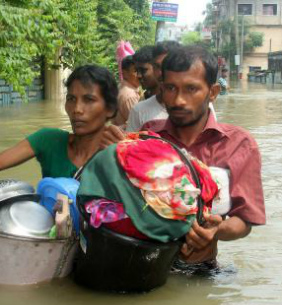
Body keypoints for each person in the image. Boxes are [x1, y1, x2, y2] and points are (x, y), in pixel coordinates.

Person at [106, 46, 266, 264]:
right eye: (171, 88)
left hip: (201, 269)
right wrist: (114, 154)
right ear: (161, 89)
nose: (179, 99)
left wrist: (217, 230)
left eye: (191, 89)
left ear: (213, 93)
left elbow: (244, 220)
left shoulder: (239, 145)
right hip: (143, 261)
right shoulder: (148, 136)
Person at [0, 65, 119, 251]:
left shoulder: (122, 154)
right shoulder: (48, 140)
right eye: (71, 99)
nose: (77, 109)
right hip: (48, 244)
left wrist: (121, 160)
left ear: (110, 109)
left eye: (89, 100)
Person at [126, 41, 183, 132]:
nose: (161, 73)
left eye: (167, 65)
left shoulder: (201, 107)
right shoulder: (139, 111)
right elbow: (129, 144)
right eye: (157, 66)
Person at [111, 55, 140, 127]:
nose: (139, 75)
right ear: (125, 73)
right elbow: (139, 124)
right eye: (135, 71)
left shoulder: (120, 87)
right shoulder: (130, 96)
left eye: (140, 70)